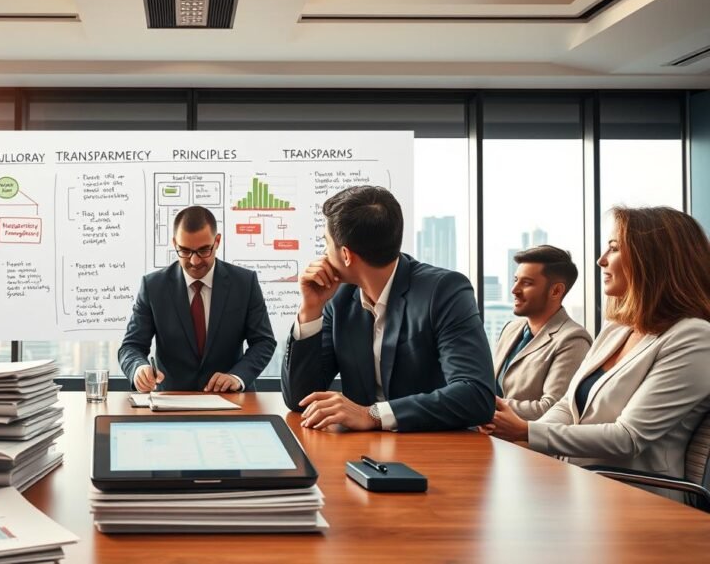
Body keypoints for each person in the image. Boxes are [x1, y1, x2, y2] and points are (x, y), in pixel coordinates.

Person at [486, 206, 710, 502]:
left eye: (614, 249)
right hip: (580, 485)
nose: (601, 260)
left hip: (637, 500)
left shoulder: (694, 336)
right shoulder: (618, 328)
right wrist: (522, 433)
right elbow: (568, 405)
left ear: (653, 259)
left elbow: (629, 437)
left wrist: (526, 431)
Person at [283, 185, 494, 432]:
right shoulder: (339, 299)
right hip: (363, 453)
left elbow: (476, 395)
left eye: (325, 243)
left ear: (346, 255)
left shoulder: (443, 291)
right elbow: (300, 399)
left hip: (435, 449)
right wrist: (310, 309)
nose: (323, 253)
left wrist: (373, 414)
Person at [119, 206, 276, 392]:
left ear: (217, 242)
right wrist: (138, 368)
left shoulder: (244, 283)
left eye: (203, 250)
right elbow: (131, 346)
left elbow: (263, 342)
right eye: (184, 251)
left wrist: (237, 376)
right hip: (171, 401)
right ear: (174, 243)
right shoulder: (153, 286)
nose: (194, 261)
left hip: (231, 400)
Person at [488, 246, 591, 421]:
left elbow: (551, 408)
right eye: (515, 280)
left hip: (528, 445)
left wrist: (485, 405)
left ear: (556, 291)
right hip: (491, 436)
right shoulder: (510, 329)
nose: (514, 290)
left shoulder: (573, 339)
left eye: (526, 283)